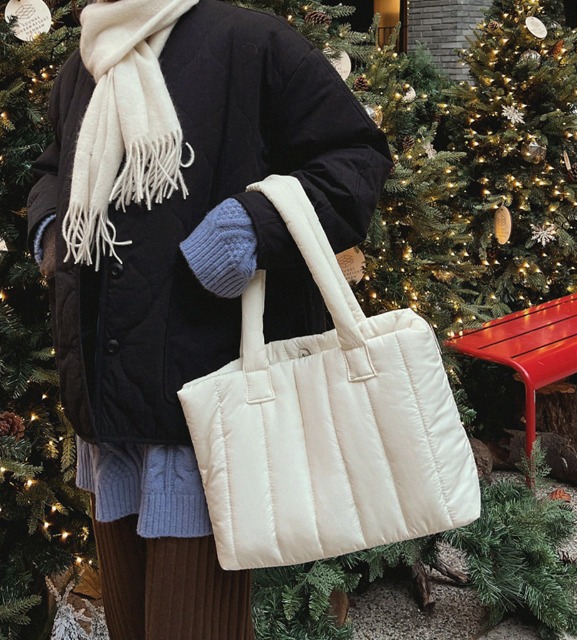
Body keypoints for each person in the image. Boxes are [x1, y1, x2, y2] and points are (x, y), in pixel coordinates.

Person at [27, 0, 392, 638]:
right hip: (106, 405)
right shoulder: (87, 59)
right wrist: (52, 229)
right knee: (130, 624)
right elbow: (55, 167)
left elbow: (355, 157)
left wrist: (252, 226)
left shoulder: (250, 41)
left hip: (201, 400)